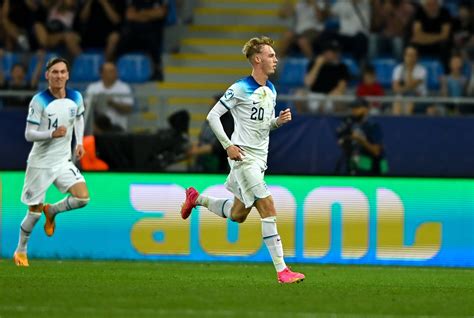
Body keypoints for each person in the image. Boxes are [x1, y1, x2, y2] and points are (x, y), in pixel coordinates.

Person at [180, 36, 305, 284]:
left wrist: (277, 122)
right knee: (268, 207)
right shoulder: (239, 88)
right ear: (257, 59)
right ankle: (282, 271)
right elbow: (213, 116)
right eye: (271, 55)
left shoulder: (271, 89)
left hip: (259, 160)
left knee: (238, 214)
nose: (276, 59)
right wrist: (228, 146)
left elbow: (262, 125)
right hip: (243, 158)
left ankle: (197, 199)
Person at [13, 57, 90, 267]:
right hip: (40, 163)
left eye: (62, 72)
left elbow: (79, 117)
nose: (59, 76)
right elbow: (29, 134)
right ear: (47, 75)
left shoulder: (76, 97)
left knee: (83, 198)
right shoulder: (39, 101)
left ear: (68, 75)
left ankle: (52, 210)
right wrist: (52, 133)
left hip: (63, 161)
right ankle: (21, 251)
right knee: (34, 213)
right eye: (54, 72)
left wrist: (79, 142)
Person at [114, 0, 168, 80]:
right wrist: (149, 15)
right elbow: (129, 15)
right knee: (120, 39)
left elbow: (160, 13)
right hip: (133, 35)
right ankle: (112, 69)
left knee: (153, 40)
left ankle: (157, 70)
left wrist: (140, 14)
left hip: (152, 34)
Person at [336, 97, 387, 175]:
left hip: (372, 170)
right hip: (356, 167)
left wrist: (360, 140)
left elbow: (376, 151)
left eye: (357, 108)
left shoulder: (372, 125)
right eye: (353, 108)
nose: (354, 110)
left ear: (366, 109)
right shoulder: (351, 124)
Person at [298, 40, 349, 113]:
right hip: (314, 95)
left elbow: (341, 87)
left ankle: (335, 122)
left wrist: (326, 100)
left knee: (339, 96)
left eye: (337, 51)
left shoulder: (342, 67)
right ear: (325, 52)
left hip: (330, 97)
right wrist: (318, 65)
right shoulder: (314, 63)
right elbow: (308, 83)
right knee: (299, 94)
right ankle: (302, 120)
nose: (336, 54)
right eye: (333, 51)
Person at [188, 94, 234, 173]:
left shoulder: (227, 121)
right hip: (203, 160)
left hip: (217, 163)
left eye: (214, 104)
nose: (211, 106)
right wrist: (197, 144)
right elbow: (203, 135)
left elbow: (221, 145)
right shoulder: (211, 118)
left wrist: (199, 150)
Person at [85, 61, 134, 133]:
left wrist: (112, 103)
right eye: (111, 71)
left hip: (118, 128)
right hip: (97, 129)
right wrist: (97, 102)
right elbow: (86, 108)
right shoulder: (93, 87)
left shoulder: (124, 87)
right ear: (102, 74)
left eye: (115, 71)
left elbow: (128, 109)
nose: (115, 73)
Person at [408, 0, 453, 70]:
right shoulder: (419, 12)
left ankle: (446, 72)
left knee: (446, 44)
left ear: (438, 4)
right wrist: (438, 37)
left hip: (438, 45)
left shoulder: (445, 12)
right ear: (424, 5)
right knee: (412, 45)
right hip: (424, 44)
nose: (431, 6)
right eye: (429, 4)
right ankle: (411, 70)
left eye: (434, 3)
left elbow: (445, 35)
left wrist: (424, 38)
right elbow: (416, 35)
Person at [391, 45, 427, 115]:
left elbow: (411, 86)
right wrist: (405, 89)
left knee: (409, 101)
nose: (410, 58)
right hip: (402, 96)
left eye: (412, 55)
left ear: (416, 57)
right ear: (404, 56)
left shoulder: (422, 70)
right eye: (408, 55)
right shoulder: (398, 69)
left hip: (419, 98)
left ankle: (407, 125)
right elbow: (395, 88)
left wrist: (409, 69)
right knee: (397, 103)